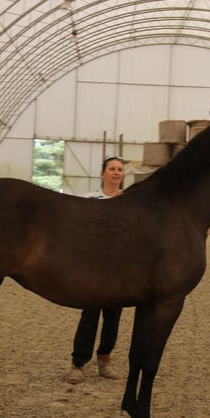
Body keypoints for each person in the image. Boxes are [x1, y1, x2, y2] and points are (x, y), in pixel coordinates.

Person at [68, 155, 125, 384]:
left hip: (120, 268)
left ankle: (105, 360)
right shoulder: (89, 199)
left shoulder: (129, 200)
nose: (116, 172)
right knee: (90, 315)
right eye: (112, 168)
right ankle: (78, 364)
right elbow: (79, 231)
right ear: (103, 174)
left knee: (113, 317)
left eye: (120, 169)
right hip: (94, 268)